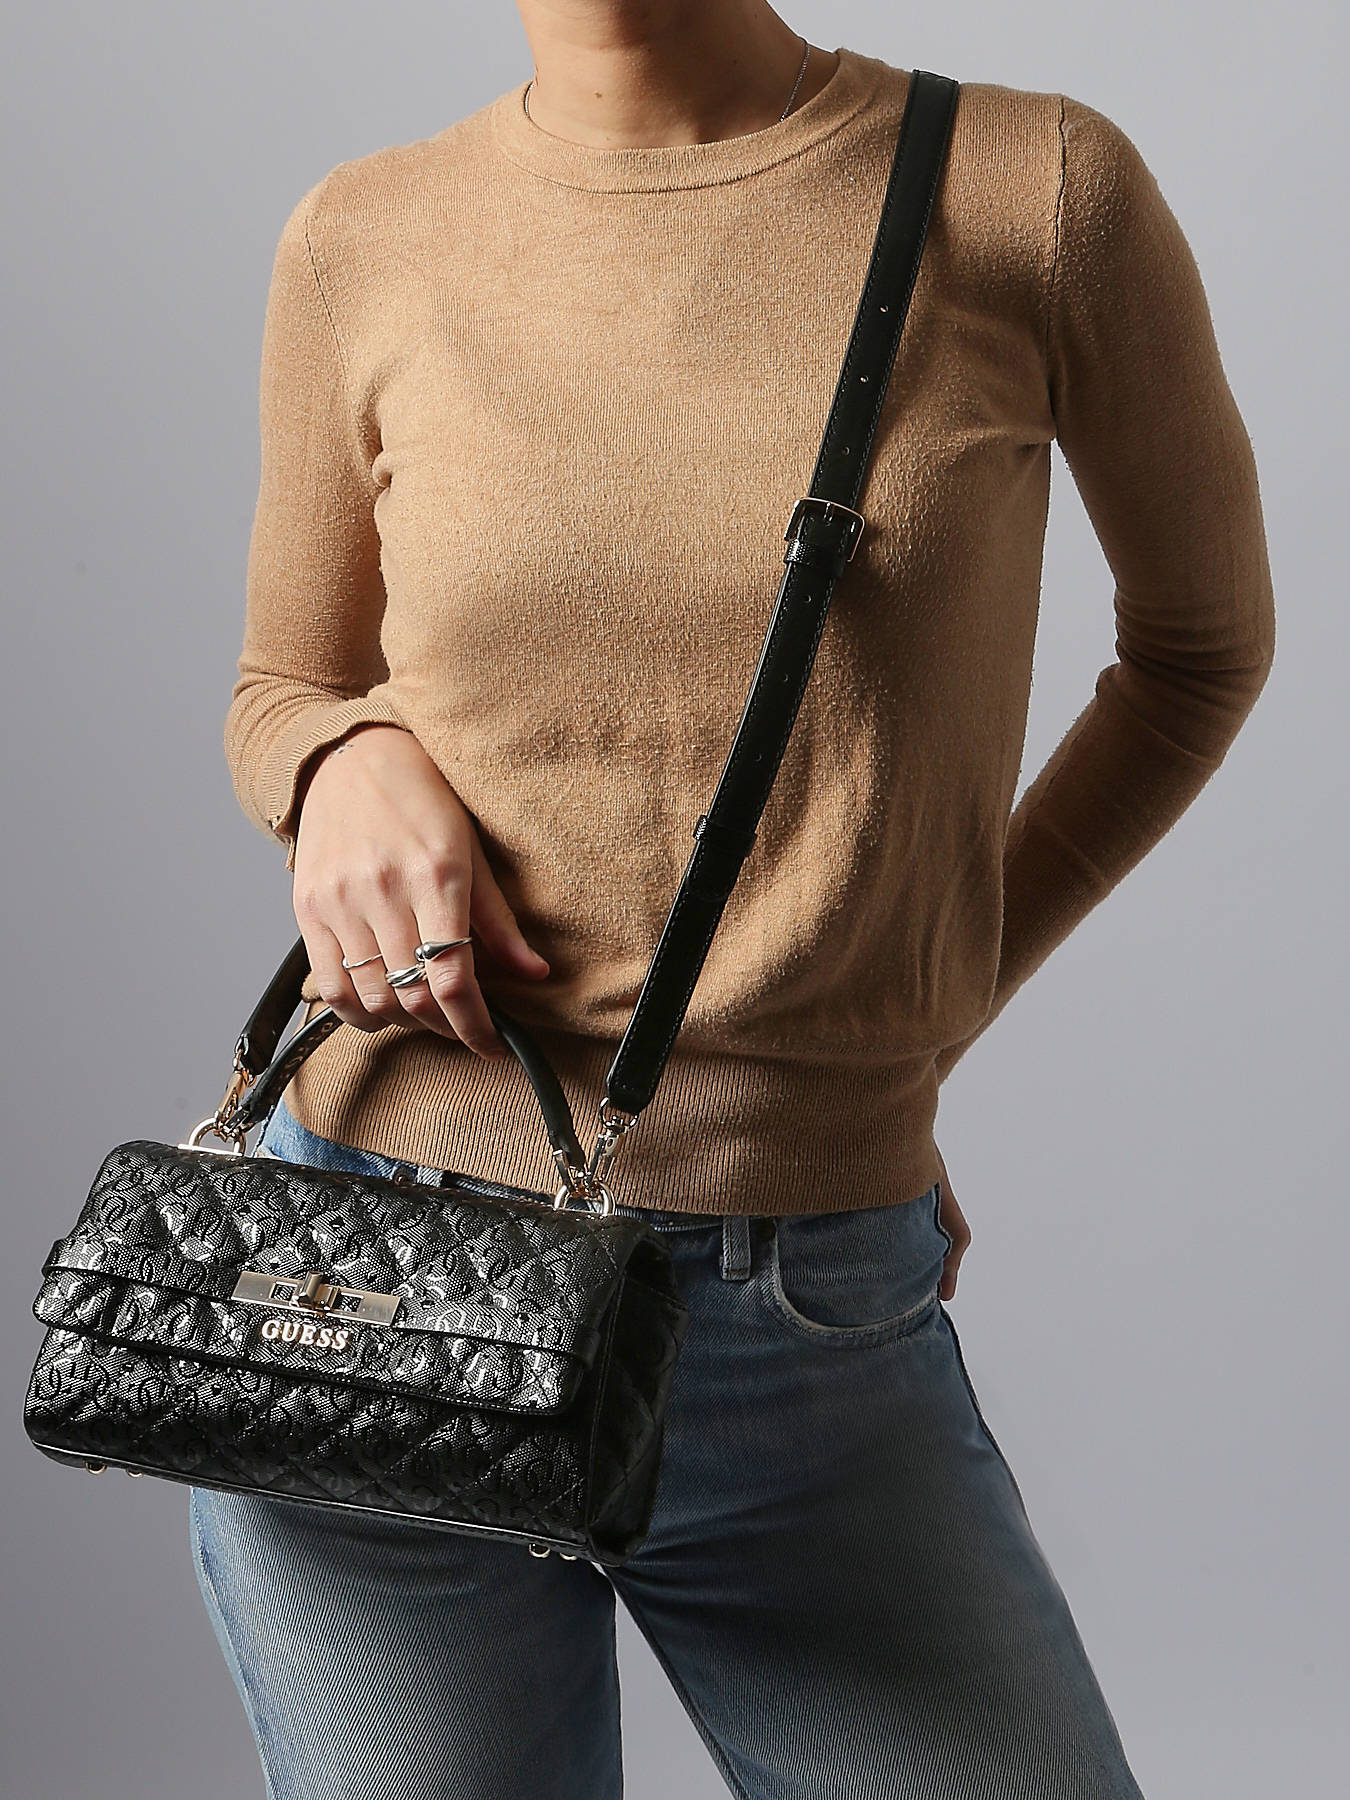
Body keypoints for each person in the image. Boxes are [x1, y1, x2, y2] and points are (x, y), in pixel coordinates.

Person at [188, 4, 1276, 1796]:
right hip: (370, 1276)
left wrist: (891, 1027)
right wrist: (337, 760)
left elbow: (1195, 655)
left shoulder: (1029, 190)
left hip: (798, 1310)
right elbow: (279, 688)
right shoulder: (364, 233)